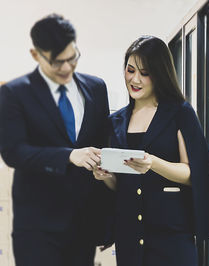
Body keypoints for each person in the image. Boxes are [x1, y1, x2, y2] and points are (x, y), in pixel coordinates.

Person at [93, 35, 209, 266]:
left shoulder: (180, 113)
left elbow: (193, 173)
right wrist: (106, 177)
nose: (135, 79)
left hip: (171, 235)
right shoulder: (115, 121)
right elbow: (122, 183)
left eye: (144, 73)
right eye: (130, 70)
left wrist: (153, 163)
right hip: (129, 235)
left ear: (159, 74)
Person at [0, 14, 114, 266]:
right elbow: (14, 151)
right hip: (38, 228)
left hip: (83, 222)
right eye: (57, 62)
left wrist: (107, 219)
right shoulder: (15, 93)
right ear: (35, 54)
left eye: (71, 58)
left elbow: (104, 147)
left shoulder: (96, 88)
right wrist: (68, 155)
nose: (66, 68)